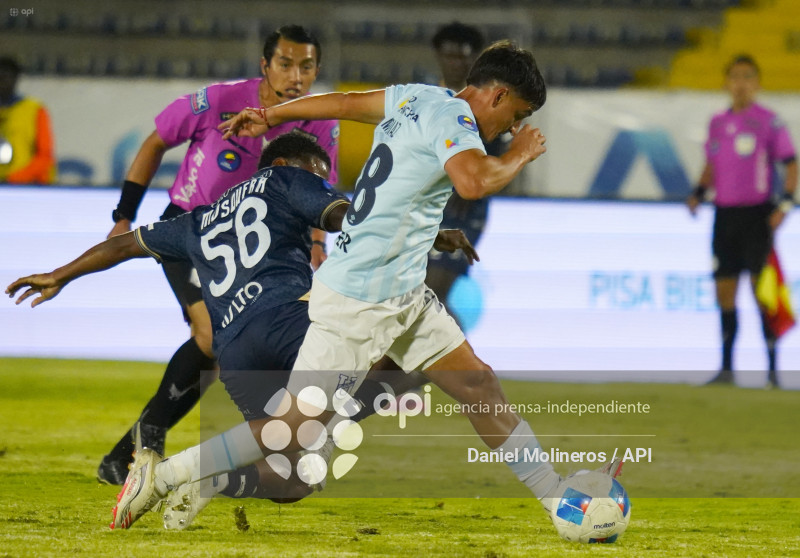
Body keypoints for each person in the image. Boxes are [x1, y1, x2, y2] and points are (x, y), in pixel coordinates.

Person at [78, 40, 620, 532]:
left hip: (402, 291)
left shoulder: (419, 98)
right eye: (515, 116)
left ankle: (558, 503)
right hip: (361, 297)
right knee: (290, 433)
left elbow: (339, 103)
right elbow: (473, 181)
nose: (507, 128)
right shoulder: (452, 116)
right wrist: (520, 154)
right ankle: (167, 474)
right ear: (498, 94)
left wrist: (271, 114)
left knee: (478, 385)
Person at [7, 133, 478, 529]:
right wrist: (426, 233)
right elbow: (342, 215)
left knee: (296, 479)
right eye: (317, 173)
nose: (320, 183)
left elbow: (126, 245)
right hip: (290, 323)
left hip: (235, 353)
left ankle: (209, 481)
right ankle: (171, 472)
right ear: (281, 166)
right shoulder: (286, 178)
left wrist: (59, 275)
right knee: (409, 358)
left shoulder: (196, 220)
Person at [97, 25, 340, 485]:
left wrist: (317, 245)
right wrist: (124, 215)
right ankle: (146, 446)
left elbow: (316, 190)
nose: (296, 75)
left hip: (258, 250)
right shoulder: (219, 102)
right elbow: (154, 143)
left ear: (316, 70)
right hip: (195, 232)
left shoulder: (322, 122)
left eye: (306, 66)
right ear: (264, 66)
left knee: (221, 347)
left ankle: (127, 453)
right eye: (285, 64)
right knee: (209, 336)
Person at [688, 54, 797, 387]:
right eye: (735, 77)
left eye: (747, 77)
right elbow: (712, 163)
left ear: (758, 83)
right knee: (725, 289)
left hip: (756, 216)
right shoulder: (717, 123)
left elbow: (791, 166)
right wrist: (699, 191)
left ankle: (773, 372)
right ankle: (726, 368)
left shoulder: (769, 122)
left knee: (761, 291)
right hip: (724, 215)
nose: (741, 84)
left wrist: (786, 205)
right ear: (726, 83)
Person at [426, 23, 505, 325]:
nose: (456, 63)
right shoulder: (429, 98)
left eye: (464, 57)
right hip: (430, 205)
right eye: (450, 56)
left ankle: (461, 367)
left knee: (433, 294)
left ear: (476, 60)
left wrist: (470, 186)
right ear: (438, 56)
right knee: (422, 297)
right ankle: (456, 366)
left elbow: (496, 161)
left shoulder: (490, 105)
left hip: (465, 209)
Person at [0, 56, 56, 184]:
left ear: (15, 79)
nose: (2, 82)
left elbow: (45, 156)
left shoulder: (34, 110)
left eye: (5, 77)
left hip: (26, 186)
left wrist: (15, 178)